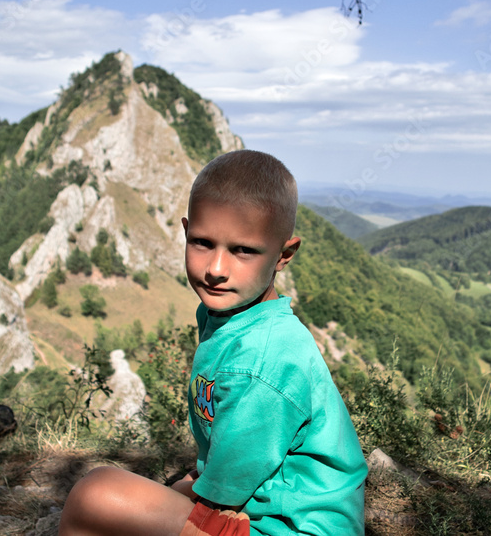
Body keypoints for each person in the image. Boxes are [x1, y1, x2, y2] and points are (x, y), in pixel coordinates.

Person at [59, 149, 367, 536]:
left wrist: (171, 495)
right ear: (186, 232)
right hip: (262, 513)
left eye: (243, 250)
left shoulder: (261, 358)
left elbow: (225, 493)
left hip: (287, 528)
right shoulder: (229, 316)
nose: (216, 269)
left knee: (96, 493)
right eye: (203, 243)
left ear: (283, 255)